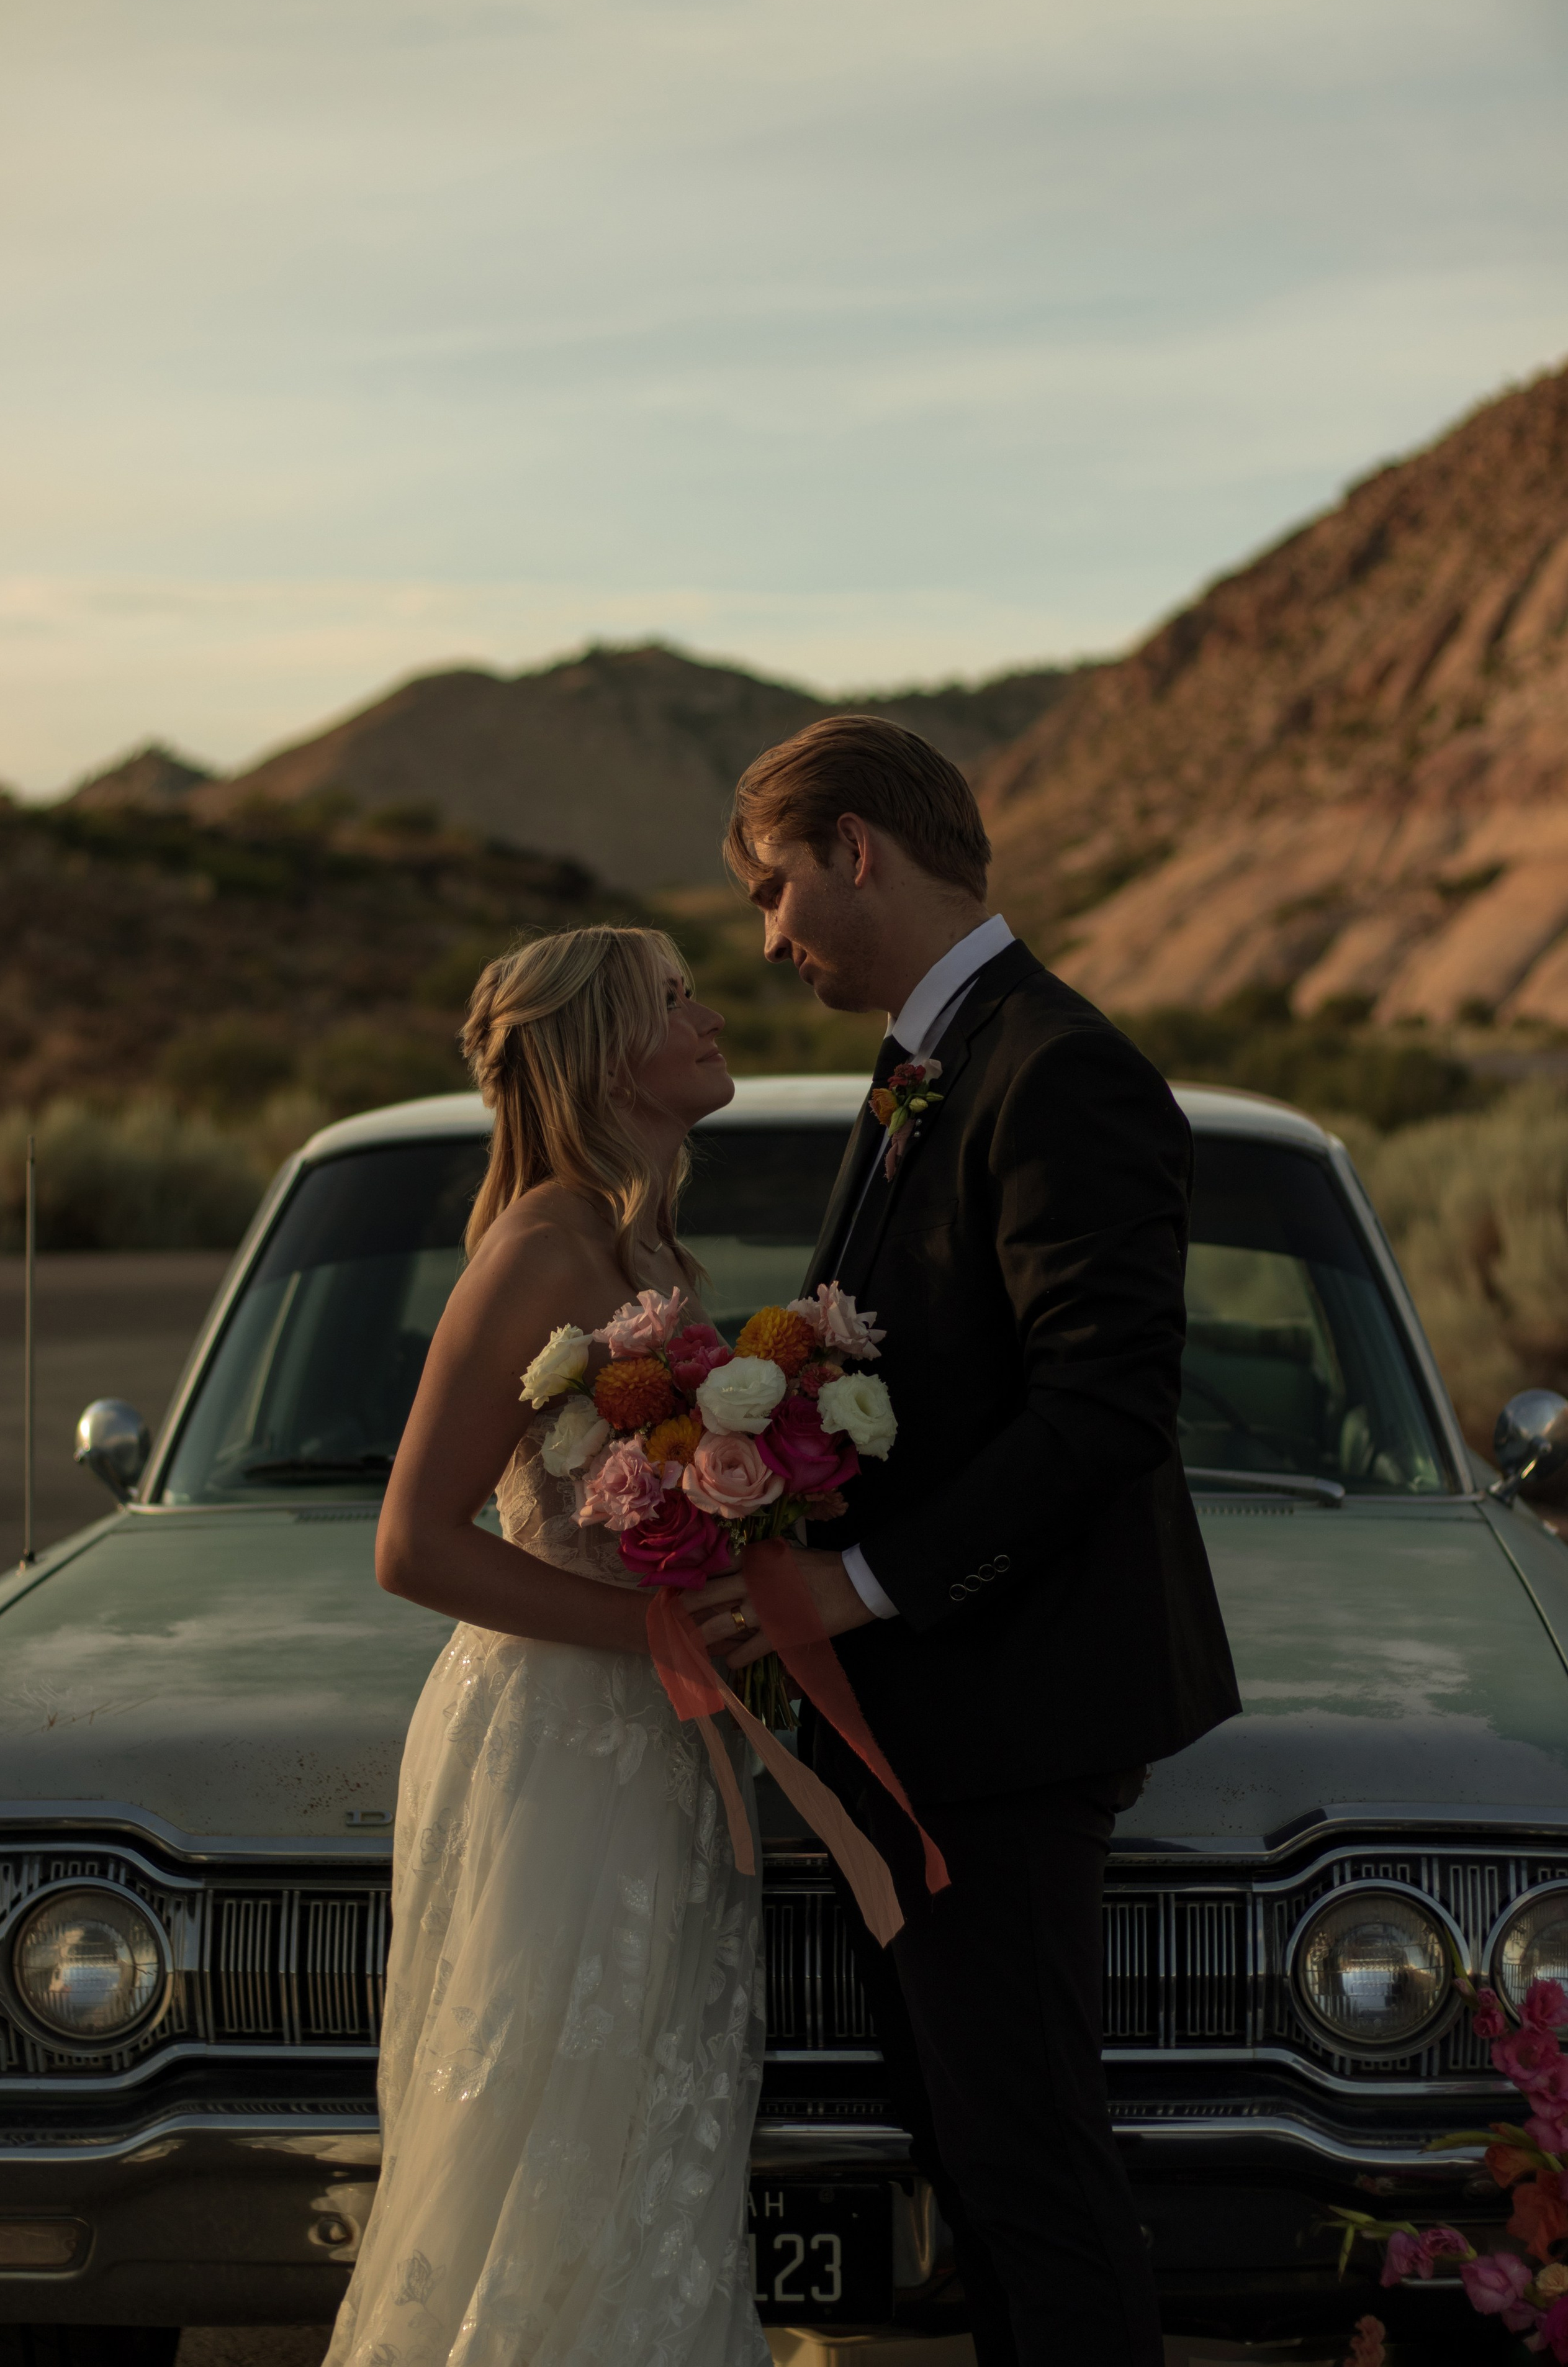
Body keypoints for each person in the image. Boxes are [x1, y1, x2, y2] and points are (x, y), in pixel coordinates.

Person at [701, 717, 1242, 2367]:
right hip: (923, 1728)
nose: (772, 935)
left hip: (1008, 1724)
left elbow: (1106, 1410)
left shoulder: (1057, 1066)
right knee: (975, 2168)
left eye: (776, 887)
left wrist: (859, 1586)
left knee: (1034, 2179)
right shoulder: (931, 1061)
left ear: (859, 848)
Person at [324, 926, 773, 2367]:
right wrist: (647, 1626)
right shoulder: (539, 1250)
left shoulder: (633, 1242)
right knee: (542, 2135)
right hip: (557, 1755)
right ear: (601, 1055)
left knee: (647, 2136)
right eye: (674, 1001)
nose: (709, 1017)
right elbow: (414, 1543)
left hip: (649, 1741)